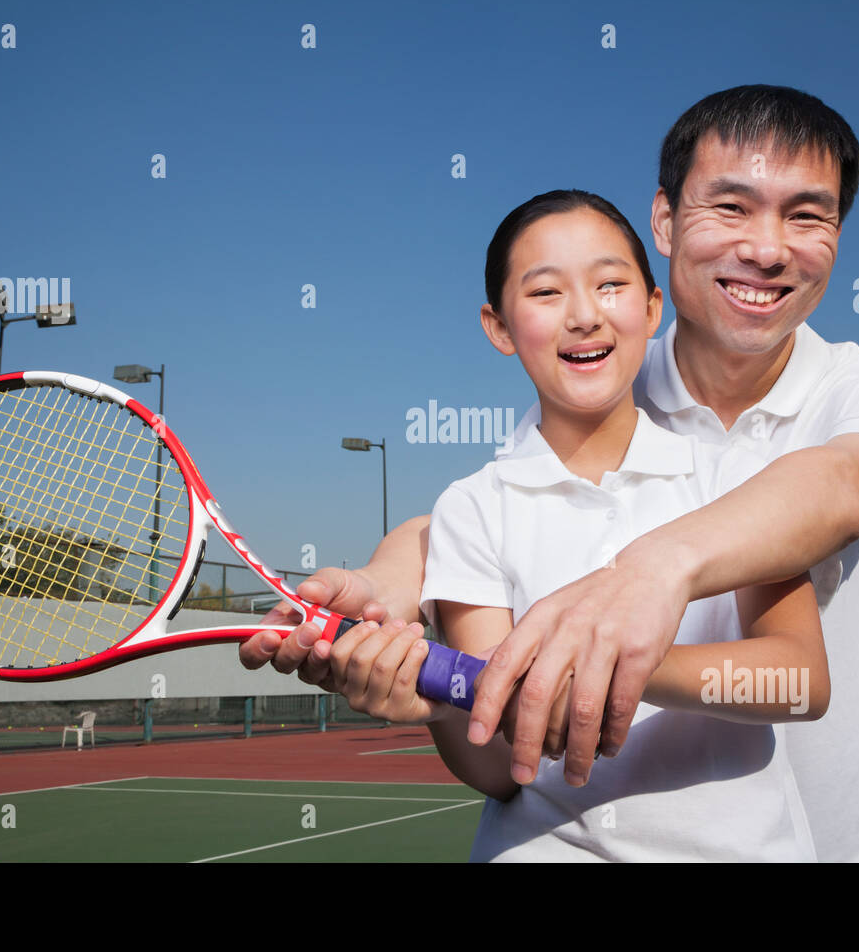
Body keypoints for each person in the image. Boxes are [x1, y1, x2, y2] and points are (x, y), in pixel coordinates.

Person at [241, 85, 859, 863]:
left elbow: (843, 485)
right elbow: (474, 520)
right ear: (667, 223)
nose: (769, 248)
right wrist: (389, 590)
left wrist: (646, 587)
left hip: (845, 846)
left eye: (807, 215)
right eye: (733, 208)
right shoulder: (602, 384)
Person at [326, 189, 829, 861]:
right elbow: (504, 769)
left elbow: (800, 684)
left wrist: (620, 663)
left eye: (610, 284)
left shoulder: (738, 475)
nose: (584, 316)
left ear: (652, 308)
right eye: (545, 293)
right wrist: (445, 707)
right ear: (499, 327)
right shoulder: (470, 508)